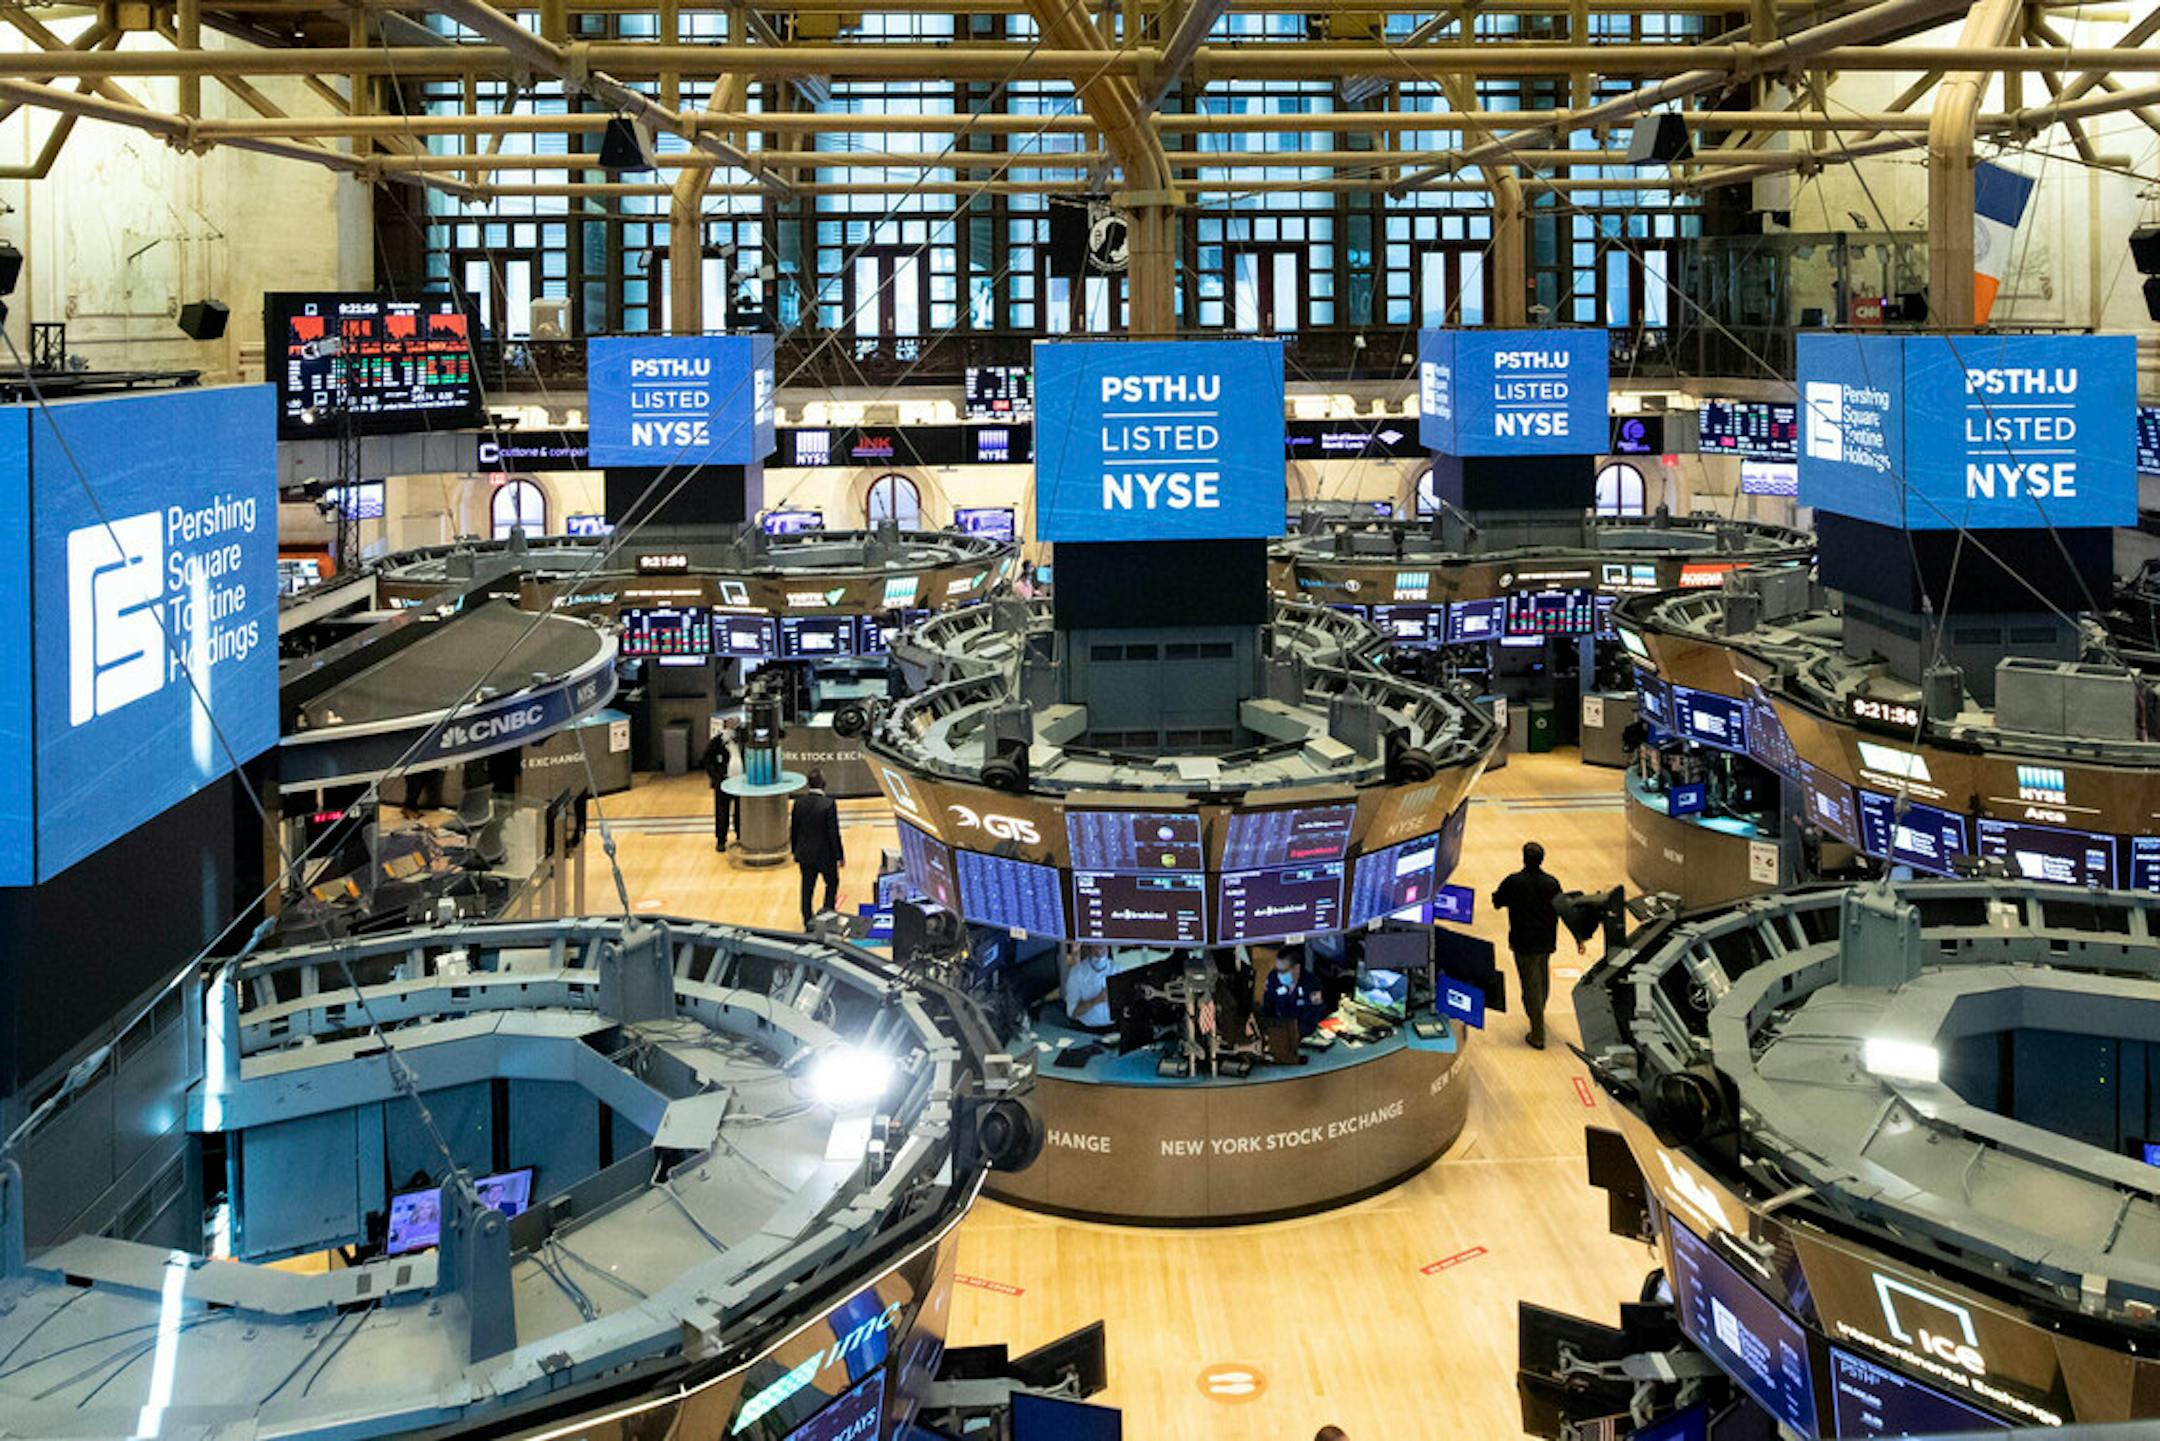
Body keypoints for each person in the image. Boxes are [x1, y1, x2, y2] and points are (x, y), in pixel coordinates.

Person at [1490, 840, 1583, 1050]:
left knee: (1530, 986)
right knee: (1541, 980)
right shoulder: (1551, 883)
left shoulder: (1514, 881)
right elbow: (1564, 909)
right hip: (1546, 941)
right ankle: (1538, 1015)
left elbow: (1497, 901)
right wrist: (1579, 938)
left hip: (1523, 942)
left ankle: (1538, 1033)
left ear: (1524, 858)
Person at [789, 769, 844, 927]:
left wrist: (795, 851)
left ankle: (807, 920)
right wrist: (839, 855)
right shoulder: (828, 804)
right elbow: (833, 833)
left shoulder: (799, 803)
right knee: (832, 883)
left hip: (805, 854)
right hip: (825, 855)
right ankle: (828, 916)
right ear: (823, 784)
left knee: (807, 888)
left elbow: (794, 830)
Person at [700, 721, 739, 852]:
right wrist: (715, 776)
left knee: (740, 811)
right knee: (722, 812)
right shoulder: (718, 741)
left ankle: (741, 836)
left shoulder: (742, 739)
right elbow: (707, 758)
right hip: (723, 782)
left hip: (741, 782)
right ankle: (721, 839)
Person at [1060, 946, 1115, 1030]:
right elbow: (1072, 1012)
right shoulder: (1077, 973)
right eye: (1096, 949)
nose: (1099, 954)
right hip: (1087, 1029)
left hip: (1115, 1028)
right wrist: (1097, 1000)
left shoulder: (1118, 970)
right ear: (1089, 950)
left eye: (1103, 948)